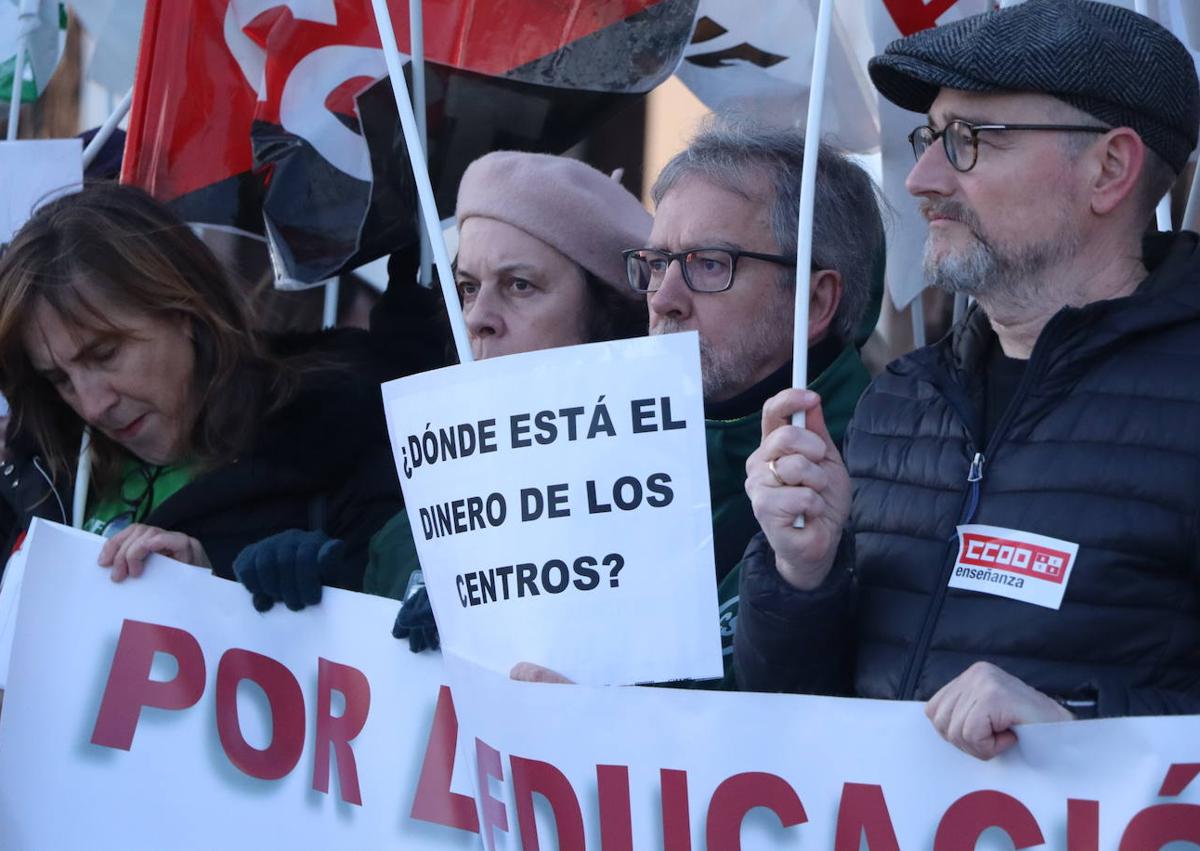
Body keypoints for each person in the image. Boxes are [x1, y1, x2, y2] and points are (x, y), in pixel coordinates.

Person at [734, 0, 1200, 758]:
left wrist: (1083, 730)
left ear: (1110, 168)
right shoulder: (899, 403)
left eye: (969, 140)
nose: (921, 179)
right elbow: (787, 729)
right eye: (929, 138)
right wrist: (801, 573)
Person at [515, 120, 886, 686]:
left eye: (709, 264)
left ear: (814, 302)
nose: (664, 299)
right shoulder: (593, 454)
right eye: (657, 263)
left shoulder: (895, 471)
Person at [236, 151, 650, 624]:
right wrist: (334, 587)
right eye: (468, 288)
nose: (477, 318)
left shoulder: (689, 500)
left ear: (606, 315)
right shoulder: (406, 525)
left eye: (519, 285)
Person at [0, 184, 402, 591]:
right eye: (59, 379)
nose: (91, 406)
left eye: (105, 354)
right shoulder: (32, 478)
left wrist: (216, 580)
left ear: (183, 309)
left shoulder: (337, 444)